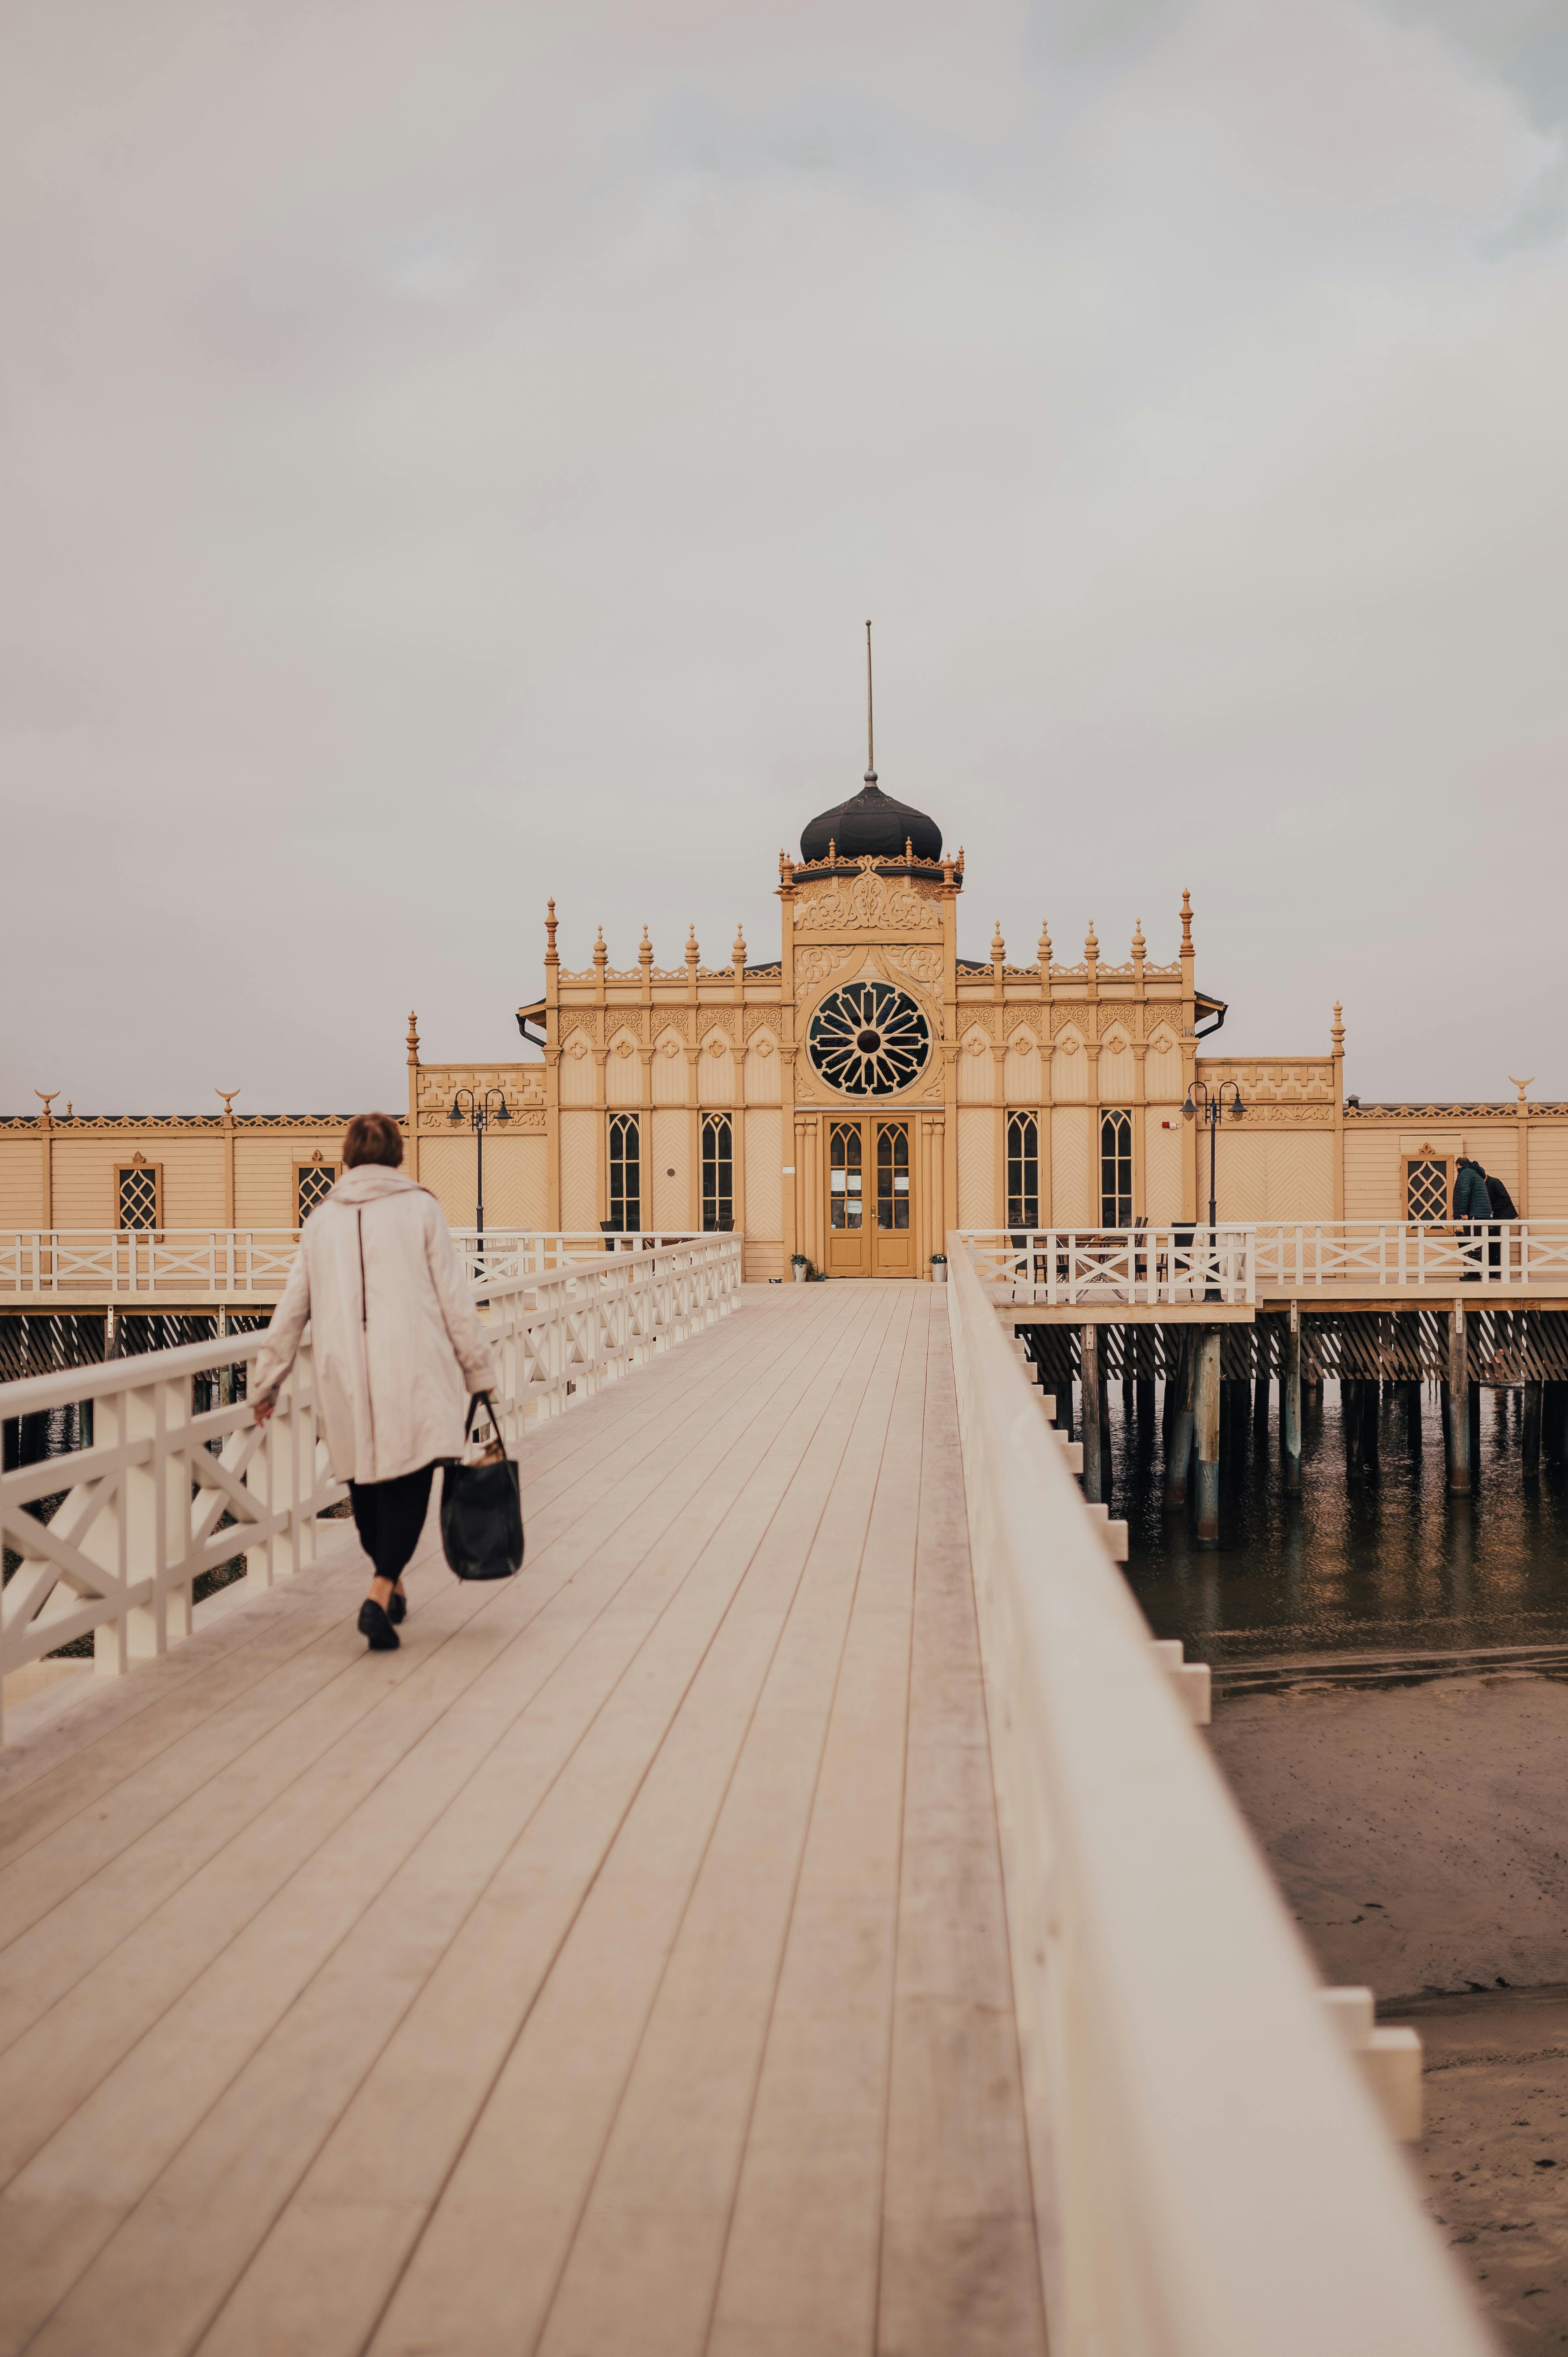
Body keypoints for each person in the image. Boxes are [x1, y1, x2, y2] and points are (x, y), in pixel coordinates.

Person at [251, 1110, 497, 1651]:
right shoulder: (421, 1208)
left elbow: (293, 1305)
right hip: (412, 1366)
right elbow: (454, 1298)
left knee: (362, 1480)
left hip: (344, 1374)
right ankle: (381, 1591)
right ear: (398, 1155)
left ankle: (388, 1586)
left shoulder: (321, 1220)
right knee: (410, 1480)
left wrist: (266, 1380)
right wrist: (478, 1370)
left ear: (346, 1157)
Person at [1452, 1154, 1491, 1283]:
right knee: (1476, 1242)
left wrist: (1462, 1211)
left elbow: (1465, 1192)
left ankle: (1474, 1273)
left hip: (1474, 1213)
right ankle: (1476, 1271)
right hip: (1480, 1212)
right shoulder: (1475, 1173)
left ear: (1458, 1165)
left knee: (1473, 1243)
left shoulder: (1465, 1173)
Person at [1484, 1169, 1519, 1277]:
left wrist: (1493, 1209)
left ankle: (1501, 1271)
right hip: (1494, 1218)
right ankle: (1494, 1270)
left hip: (1502, 1217)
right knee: (1492, 1244)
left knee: (1499, 1245)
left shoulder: (1495, 1183)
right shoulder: (1487, 1184)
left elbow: (1505, 1199)